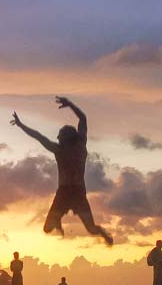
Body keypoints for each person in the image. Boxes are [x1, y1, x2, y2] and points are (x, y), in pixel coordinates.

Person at [11, 96, 113, 245]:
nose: (58, 139)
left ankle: (61, 221)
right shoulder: (78, 146)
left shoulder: (62, 149)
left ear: (65, 138)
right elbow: (82, 118)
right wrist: (70, 104)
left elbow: (39, 136)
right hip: (74, 193)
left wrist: (21, 125)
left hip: (68, 193)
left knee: (56, 228)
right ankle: (58, 221)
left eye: (60, 137)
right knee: (87, 229)